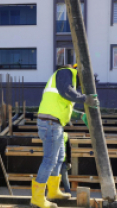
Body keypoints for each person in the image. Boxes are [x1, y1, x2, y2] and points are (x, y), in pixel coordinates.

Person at [31, 64, 99, 208]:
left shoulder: (69, 81)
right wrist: (86, 99)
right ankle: (37, 198)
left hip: (55, 123)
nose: (81, 87)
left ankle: (53, 191)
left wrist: (80, 116)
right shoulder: (66, 73)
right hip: (50, 123)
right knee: (49, 160)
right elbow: (65, 92)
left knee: (59, 158)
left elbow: (63, 106)